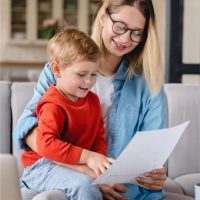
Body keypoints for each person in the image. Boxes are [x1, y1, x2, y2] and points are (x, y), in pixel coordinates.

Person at [14, 0, 168, 199]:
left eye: (136, 32)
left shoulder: (148, 85)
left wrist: (154, 175)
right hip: (69, 176)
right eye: (120, 26)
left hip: (122, 188)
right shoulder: (62, 70)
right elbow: (27, 128)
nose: (125, 38)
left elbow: (151, 154)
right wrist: (90, 170)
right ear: (103, 16)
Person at [20, 27, 114, 200]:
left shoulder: (92, 100)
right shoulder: (52, 104)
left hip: (69, 164)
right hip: (41, 167)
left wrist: (99, 163)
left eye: (94, 74)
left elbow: (98, 136)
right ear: (56, 69)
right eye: (81, 74)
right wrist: (88, 157)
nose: (88, 81)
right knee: (85, 185)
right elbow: (47, 144)